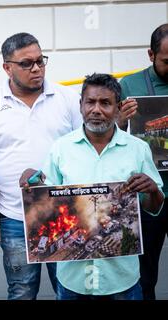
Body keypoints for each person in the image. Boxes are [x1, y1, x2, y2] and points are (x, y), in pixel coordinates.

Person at [20, 73, 164, 300]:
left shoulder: (138, 149)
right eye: (90, 102)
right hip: (72, 280)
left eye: (105, 103)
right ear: (81, 106)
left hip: (122, 279)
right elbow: (48, 203)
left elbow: (154, 207)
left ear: (118, 109)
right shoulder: (61, 149)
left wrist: (153, 190)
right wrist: (32, 184)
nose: (96, 110)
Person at [0, 32, 83, 300]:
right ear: (7, 67)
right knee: (21, 291)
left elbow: (86, 150)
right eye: (26, 63)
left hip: (64, 213)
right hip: (14, 217)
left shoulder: (67, 99)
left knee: (69, 289)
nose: (36, 68)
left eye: (40, 61)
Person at [118, 23, 168, 300]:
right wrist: (121, 120)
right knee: (144, 274)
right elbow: (110, 137)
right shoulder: (129, 85)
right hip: (148, 196)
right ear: (150, 55)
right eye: (167, 61)